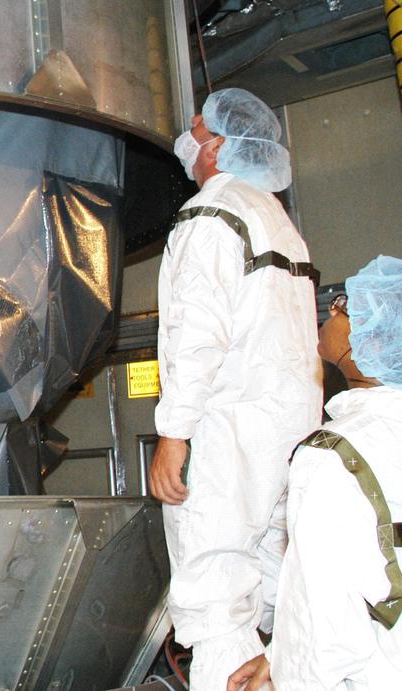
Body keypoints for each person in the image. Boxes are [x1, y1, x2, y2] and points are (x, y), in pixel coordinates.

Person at [147, 87, 322, 689]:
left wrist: (173, 435)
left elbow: (196, 335)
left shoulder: (211, 213)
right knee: (273, 579)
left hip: (227, 433)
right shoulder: (279, 221)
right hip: (289, 431)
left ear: (218, 146)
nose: (187, 138)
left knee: (213, 594)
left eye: (197, 128)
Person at [228, 256, 402, 690]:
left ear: (373, 342)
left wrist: (287, 670)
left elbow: (321, 622)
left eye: (347, 307)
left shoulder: (333, 454)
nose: (332, 312)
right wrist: (277, 653)